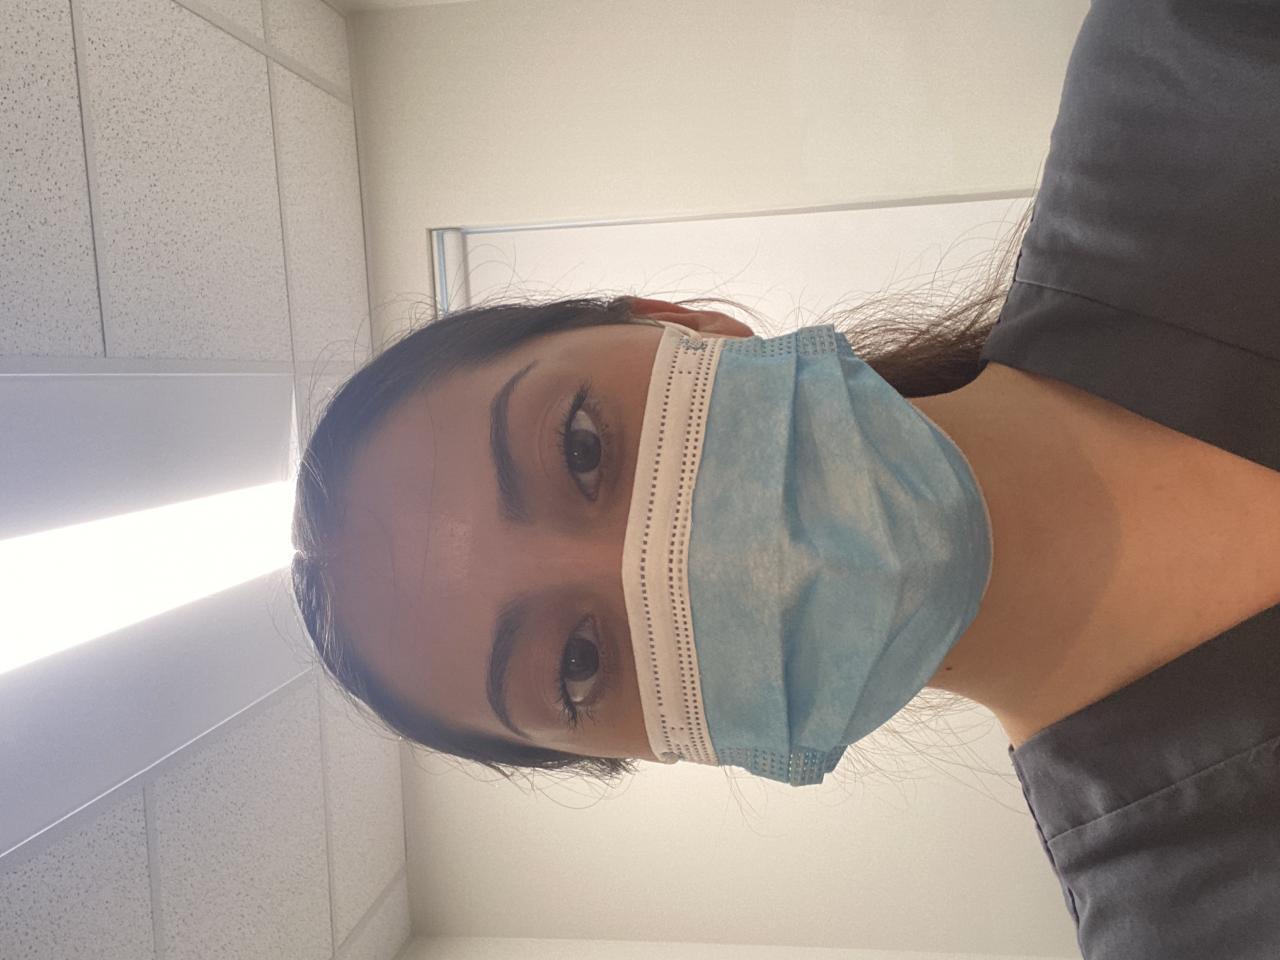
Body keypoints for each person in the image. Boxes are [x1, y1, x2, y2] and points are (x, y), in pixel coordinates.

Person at [291, 0, 1280, 955]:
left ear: (679, 324)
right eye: (577, 663)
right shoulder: (1198, 928)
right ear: (652, 750)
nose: (671, 566)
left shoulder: (1195, 64)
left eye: (581, 448)